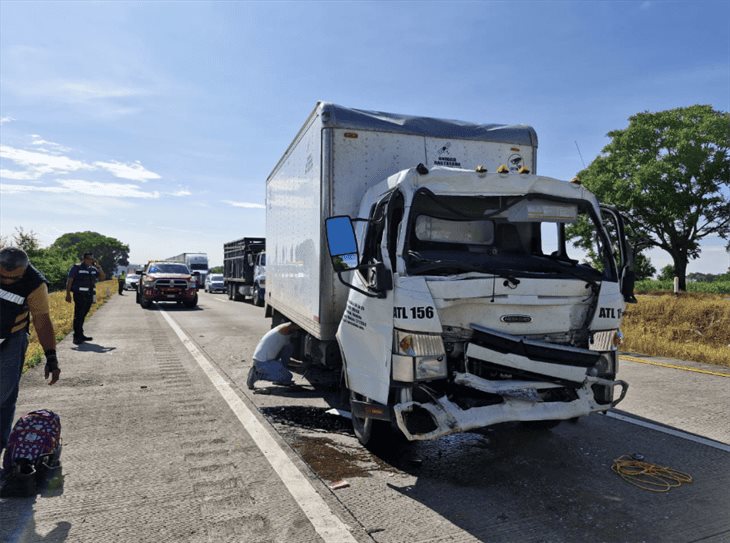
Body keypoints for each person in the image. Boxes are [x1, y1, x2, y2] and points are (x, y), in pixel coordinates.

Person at [0, 247, 60, 456]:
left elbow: (42, 321)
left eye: (13, 278)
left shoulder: (35, 284)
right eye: (2, 277)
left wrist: (51, 357)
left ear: (23, 272)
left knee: (4, 396)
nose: (7, 281)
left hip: (11, 339)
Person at [65, 252, 105, 345]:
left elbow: (102, 277)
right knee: (78, 315)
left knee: (83, 315)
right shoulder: (76, 268)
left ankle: (81, 334)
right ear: (85, 259)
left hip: (89, 295)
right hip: (79, 295)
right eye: (90, 258)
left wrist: (99, 267)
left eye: (92, 259)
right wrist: (67, 294)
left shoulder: (93, 269)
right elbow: (69, 280)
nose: (92, 260)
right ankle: (76, 337)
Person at [246, 322, 300, 390]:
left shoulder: (287, 339)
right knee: (288, 377)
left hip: (269, 361)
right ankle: (257, 375)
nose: (297, 334)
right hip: (262, 362)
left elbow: (286, 359)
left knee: (289, 347)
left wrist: (300, 365)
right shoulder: (282, 330)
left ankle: (279, 378)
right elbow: (289, 326)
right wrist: (303, 325)